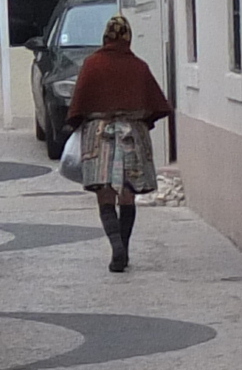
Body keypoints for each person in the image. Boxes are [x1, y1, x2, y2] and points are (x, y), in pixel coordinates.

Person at [64, 16, 169, 273]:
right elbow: (156, 105)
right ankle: (124, 246)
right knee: (128, 193)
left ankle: (116, 248)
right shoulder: (139, 67)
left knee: (105, 192)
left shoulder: (92, 65)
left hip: (98, 136)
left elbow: (77, 107)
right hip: (132, 135)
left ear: (105, 38)